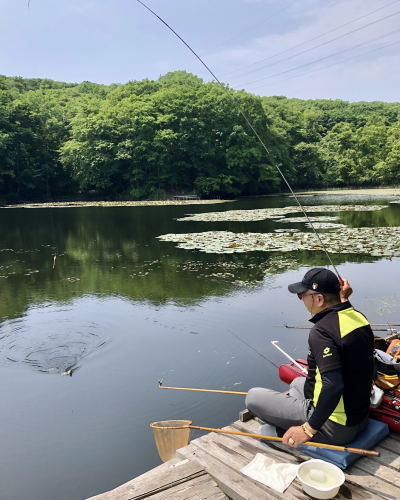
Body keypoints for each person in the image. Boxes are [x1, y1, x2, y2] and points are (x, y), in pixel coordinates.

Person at [245, 267, 374, 447]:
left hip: (335, 427)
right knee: (298, 382)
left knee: (253, 397)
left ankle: (290, 430)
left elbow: (334, 385)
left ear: (319, 299)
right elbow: (341, 314)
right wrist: (343, 298)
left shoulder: (322, 332)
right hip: (359, 417)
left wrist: (308, 429)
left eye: (302, 295)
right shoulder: (358, 317)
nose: (301, 300)